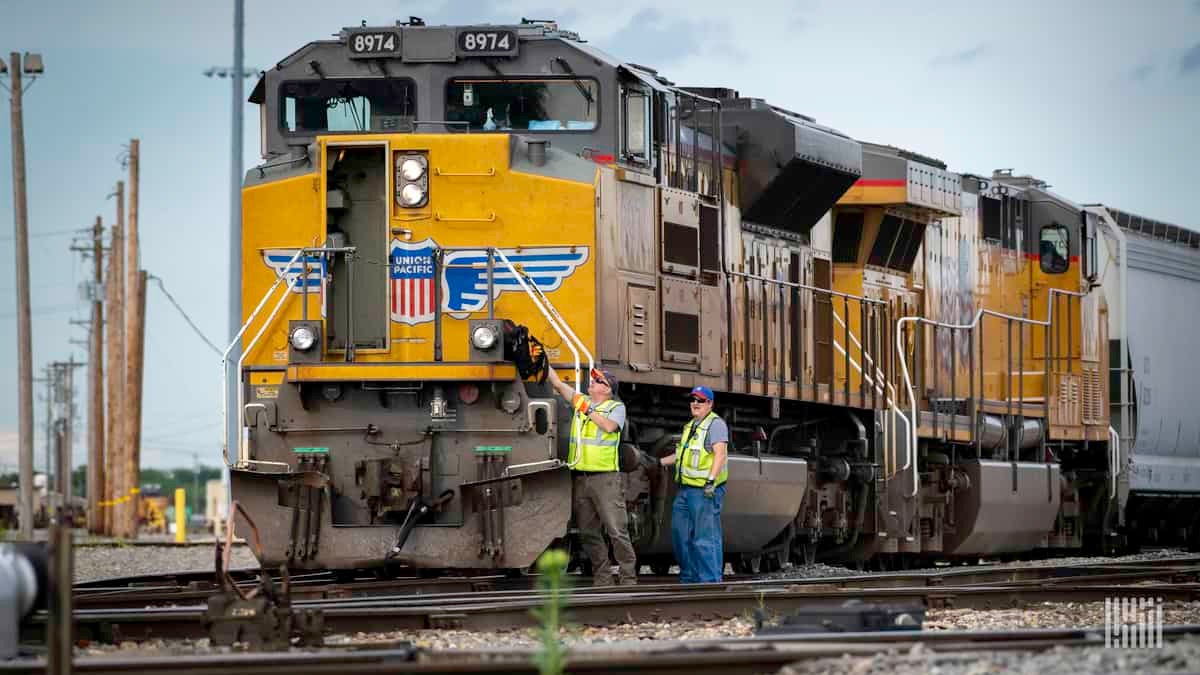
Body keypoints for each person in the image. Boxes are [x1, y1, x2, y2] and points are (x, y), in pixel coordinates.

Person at [546, 365, 638, 586]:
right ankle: (603, 578)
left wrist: (587, 408)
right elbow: (558, 384)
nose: (592, 382)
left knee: (617, 530)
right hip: (582, 477)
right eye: (593, 379)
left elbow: (608, 426)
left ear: (607, 389)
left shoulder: (616, 407)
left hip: (605, 478)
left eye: (598, 381)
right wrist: (543, 362)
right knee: (588, 532)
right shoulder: (582, 401)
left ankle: (628, 579)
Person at [654, 385, 729, 583]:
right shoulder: (692, 425)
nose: (695, 403)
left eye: (701, 400)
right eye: (693, 399)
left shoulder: (716, 424)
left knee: (705, 538)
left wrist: (711, 482)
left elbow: (720, 455)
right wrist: (657, 463)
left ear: (710, 404)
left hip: (705, 491)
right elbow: (683, 454)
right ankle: (689, 578)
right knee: (680, 536)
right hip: (686, 490)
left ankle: (709, 582)